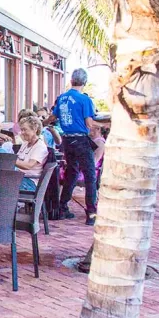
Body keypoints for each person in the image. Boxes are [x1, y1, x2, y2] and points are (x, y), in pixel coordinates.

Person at [43, 68, 107, 225]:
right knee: (90, 175)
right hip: (80, 140)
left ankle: (62, 207)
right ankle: (91, 213)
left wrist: (42, 123)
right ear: (84, 82)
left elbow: (53, 117)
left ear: (71, 80)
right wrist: (105, 124)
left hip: (67, 140)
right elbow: (89, 123)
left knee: (72, 172)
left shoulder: (62, 98)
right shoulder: (84, 99)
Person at [16, 116, 48, 191]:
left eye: (25, 130)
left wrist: (10, 161)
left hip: (30, 181)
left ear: (35, 129)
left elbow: (29, 166)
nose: (22, 133)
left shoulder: (40, 146)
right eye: (21, 130)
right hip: (20, 177)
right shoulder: (25, 144)